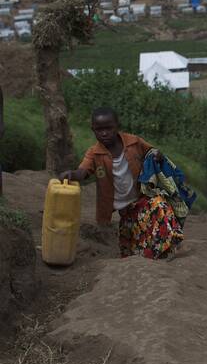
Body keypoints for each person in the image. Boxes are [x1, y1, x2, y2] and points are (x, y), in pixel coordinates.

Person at [60, 107, 184, 260]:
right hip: (125, 211)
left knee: (159, 206)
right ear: (93, 130)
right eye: (99, 130)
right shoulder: (94, 154)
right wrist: (72, 175)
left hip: (142, 199)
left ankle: (173, 245)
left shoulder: (134, 142)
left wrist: (157, 155)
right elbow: (83, 171)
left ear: (117, 126)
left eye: (108, 128)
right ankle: (151, 256)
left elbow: (151, 151)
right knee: (130, 249)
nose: (104, 133)